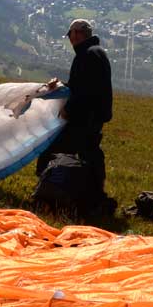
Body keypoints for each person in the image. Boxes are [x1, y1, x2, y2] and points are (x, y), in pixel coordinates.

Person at [36, 19, 113, 207]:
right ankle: (94, 194)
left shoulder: (87, 55)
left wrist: (69, 110)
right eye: (71, 34)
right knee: (89, 151)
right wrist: (61, 85)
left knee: (54, 150)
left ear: (81, 34)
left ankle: (50, 191)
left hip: (85, 115)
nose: (72, 38)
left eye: (74, 33)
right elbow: (81, 85)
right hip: (93, 114)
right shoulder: (93, 52)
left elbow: (85, 90)